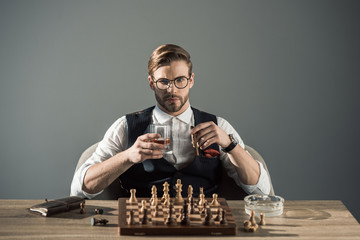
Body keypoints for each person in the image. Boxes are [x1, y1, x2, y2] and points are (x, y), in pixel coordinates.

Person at [70, 44, 271, 199]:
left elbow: (262, 191)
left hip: (204, 225)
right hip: (142, 226)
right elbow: (80, 188)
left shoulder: (218, 125)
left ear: (191, 80)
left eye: (180, 80)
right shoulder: (125, 126)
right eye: (163, 82)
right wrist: (128, 156)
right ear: (151, 83)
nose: (172, 89)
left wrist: (230, 144)